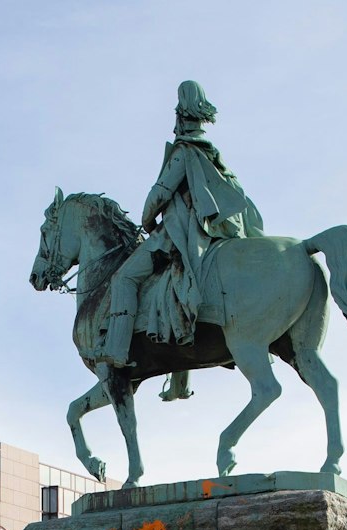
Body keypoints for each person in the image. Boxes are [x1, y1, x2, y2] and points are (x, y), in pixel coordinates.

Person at [100, 79, 266, 402]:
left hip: (176, 236)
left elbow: (159, 194)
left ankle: (116, 353)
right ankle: (179, 384)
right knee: (178, 297)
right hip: (210, 236)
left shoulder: (184, 153)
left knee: (123, 278)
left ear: (179, 113)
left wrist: (147, 221)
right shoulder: (213, 157)